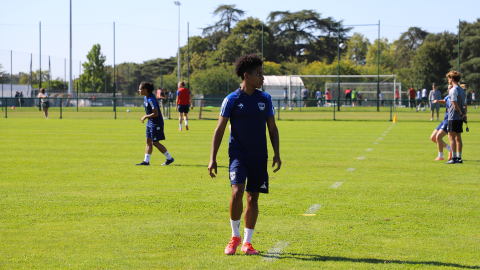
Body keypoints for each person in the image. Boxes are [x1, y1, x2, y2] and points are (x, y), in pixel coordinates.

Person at [208, 54, 281, 255]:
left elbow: (272, 129)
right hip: (238, 155)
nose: (262, 78)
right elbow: (220, 129)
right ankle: (234, 236)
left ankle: (247, 242)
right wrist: (213, 158)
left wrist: (277, 153)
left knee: (252, 198)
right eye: (259, 74)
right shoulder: (231, 99)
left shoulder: (265, 99)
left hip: (259, 156)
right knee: (237, 191)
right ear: (247, 76)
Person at [136, 82, 174, 166]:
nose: (139, 90)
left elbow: (156, 113)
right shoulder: (146, 98)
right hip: (150, 122)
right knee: (148, 141)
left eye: (140, 89)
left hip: (156, 123)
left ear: (145, 90)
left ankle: (169, 158)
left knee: (155, 142)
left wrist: (145, 116)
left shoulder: (151, 99)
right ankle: (146, 161)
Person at [445, 70, 467, 164]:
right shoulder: (462, 90)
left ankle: (453, 158)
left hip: (453, 117)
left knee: (451, 137)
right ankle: (459, 157)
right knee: (458, 137)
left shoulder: (453, 90)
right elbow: (465, 105)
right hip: (460, 118)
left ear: (452, 78)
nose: (448, 80)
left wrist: (461, 115)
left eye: (449, 78)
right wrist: (464, 115)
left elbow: (455, 106)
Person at [431, 91, 453, 161]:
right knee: (433, 138)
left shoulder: (455, 96)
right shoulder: (448, 95)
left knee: (438, 136)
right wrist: (437, 101)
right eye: (448, 89)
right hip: (444, 120)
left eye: (449, 88)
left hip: (449, 120)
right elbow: (444, 101)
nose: (448, 90)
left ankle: (440, 156)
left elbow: (460, 105)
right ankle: (450, 149)